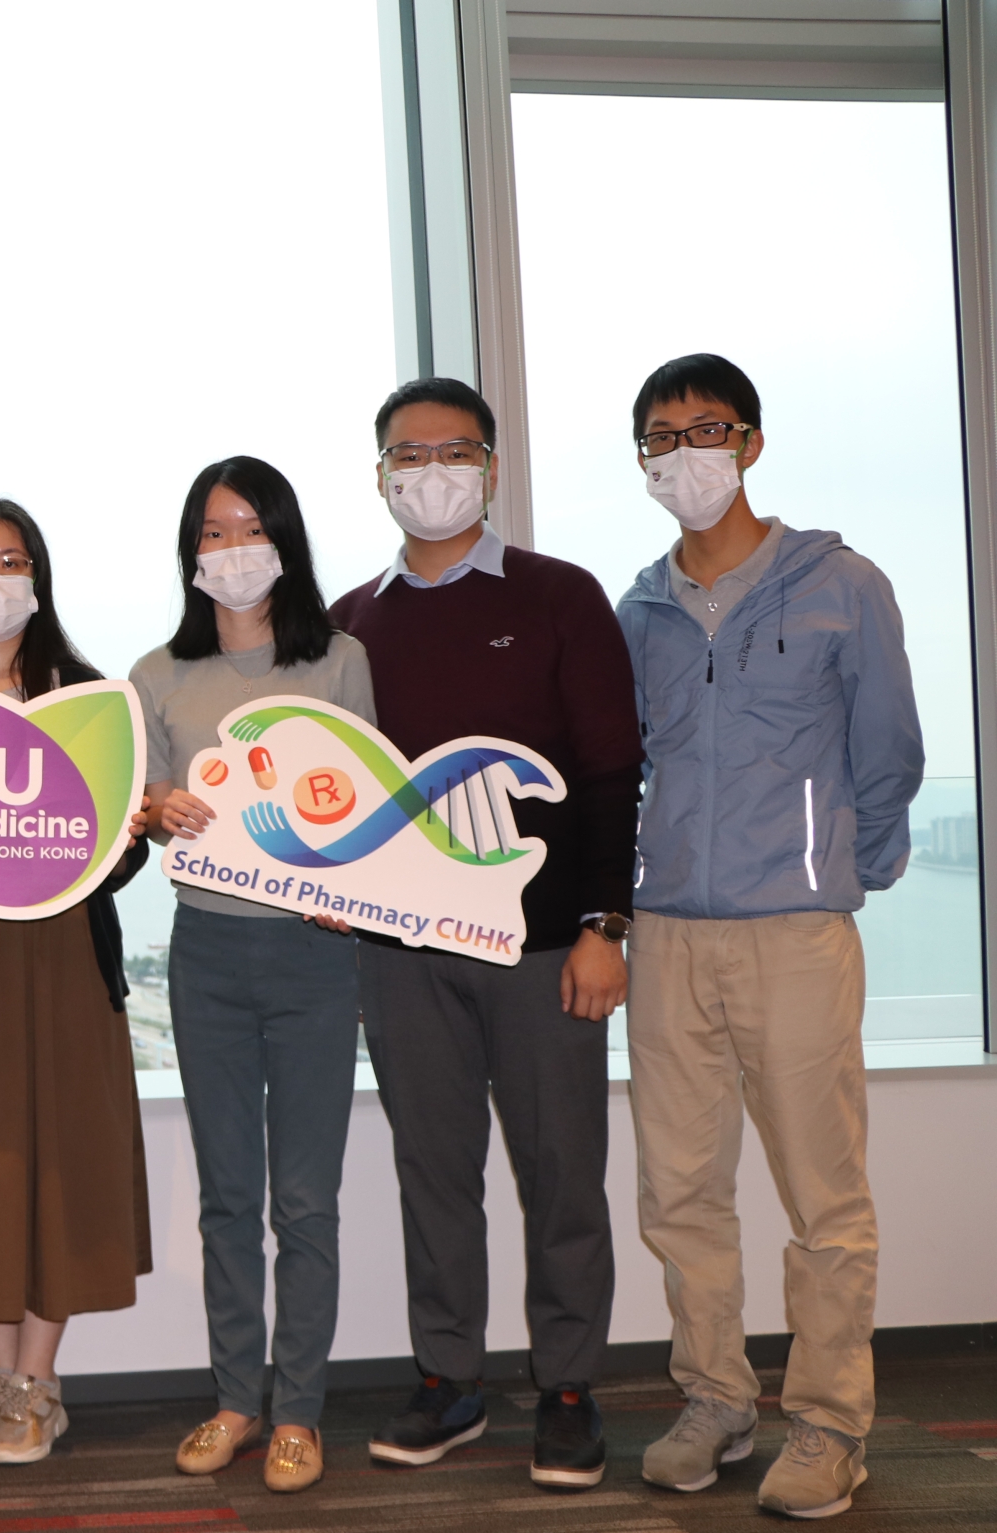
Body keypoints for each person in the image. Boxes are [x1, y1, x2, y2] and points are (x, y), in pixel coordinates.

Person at [615, 354, 922, 1519]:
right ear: (641, 459)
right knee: (677, 1191)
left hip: (793, 932)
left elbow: (887, 751)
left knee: (820, 1198)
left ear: (748, 443)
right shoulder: (636, 611)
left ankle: (830, 1423)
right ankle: (713, 1399)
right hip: (665, 938)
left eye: (704, 430)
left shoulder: (840, 584)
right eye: (660, 437)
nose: (682, 454)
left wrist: (842, 874)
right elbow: (624, 768)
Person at [329, 378, 642, 1492]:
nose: (431, 473)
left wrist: (606, 924)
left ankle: (568, 1388)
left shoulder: (560, 596)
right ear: (379, 477)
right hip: (401, 957)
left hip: (546, 948)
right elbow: (333, 789)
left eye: (453, 451)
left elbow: (610, 770)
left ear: (491, 468)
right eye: (407, 456)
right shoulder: (348, 623)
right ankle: (448, 1380)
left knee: (561, 1176)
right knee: (433, 1174)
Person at [132, 458, 373, 1494]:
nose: (231, 550)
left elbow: (369, 805)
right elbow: (140, 811)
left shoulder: (339, 659)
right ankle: (237, 1399)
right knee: (227, 1196)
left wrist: (348, 883)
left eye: (249, 528)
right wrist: (155, 807)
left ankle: (300, 1410)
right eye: (212, 533)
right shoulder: (156, 674)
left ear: (283, 539)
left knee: (305, 1201)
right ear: (190, 552)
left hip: (315, 955)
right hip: (208, 953)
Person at [0, 497, 151, 1468]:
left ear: (38, 576)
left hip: (60, 958)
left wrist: (122, 838)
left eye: (10, 561)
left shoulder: (84, 697)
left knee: (58, 1153)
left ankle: (40, 1380)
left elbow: (118, 852)